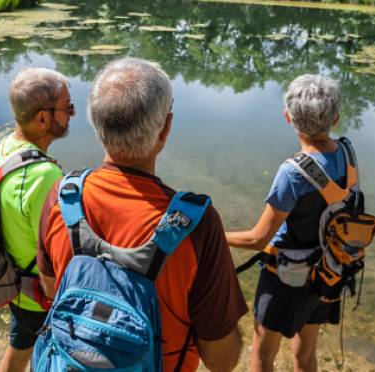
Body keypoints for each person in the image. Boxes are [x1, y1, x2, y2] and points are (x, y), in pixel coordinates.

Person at [37, 58, 246, 372]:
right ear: (165, 129)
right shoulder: (197, 226)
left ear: (97, 126)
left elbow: (52, 288)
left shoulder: (62, 197)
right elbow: (221, 360)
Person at [226, 74, 348, 372]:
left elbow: (258, 239)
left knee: (263, 355)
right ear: (336, 117)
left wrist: (214, 233)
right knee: (305, 355)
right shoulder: (347, 153)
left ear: (287, 117)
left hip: (285, 277)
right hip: (329, 271)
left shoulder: (293, 173)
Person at [0, 67, 74, 372]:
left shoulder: (4, 149)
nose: (72, 114)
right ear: (43, 118)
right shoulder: (45, 176)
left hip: (12, 278)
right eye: (68, 108)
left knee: (19, 345)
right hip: (38, 294)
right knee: (52, 355)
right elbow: (54, 252)